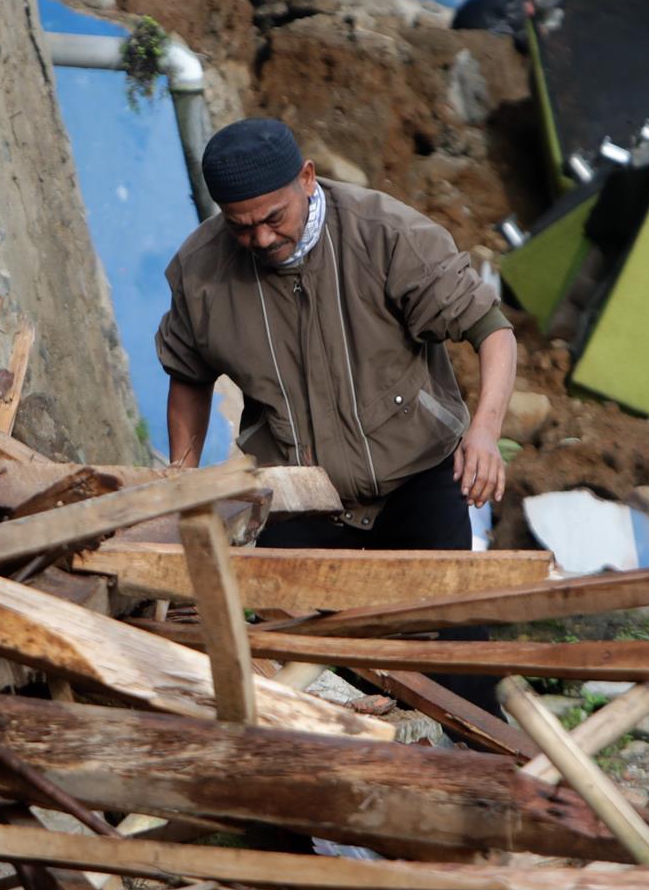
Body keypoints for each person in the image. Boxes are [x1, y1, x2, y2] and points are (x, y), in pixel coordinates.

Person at [156, 118, 517, 707]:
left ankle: (482, 774)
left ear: (307, 178)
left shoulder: (387, 235)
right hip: (300, 496)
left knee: (455, 657)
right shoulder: (201, 271)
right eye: (242, 227)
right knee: (324, 671)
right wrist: (181, 479)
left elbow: (492, 332)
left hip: (415, 481)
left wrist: (484, 433)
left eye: (275, 218)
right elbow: (188, 376)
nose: (263, 239)